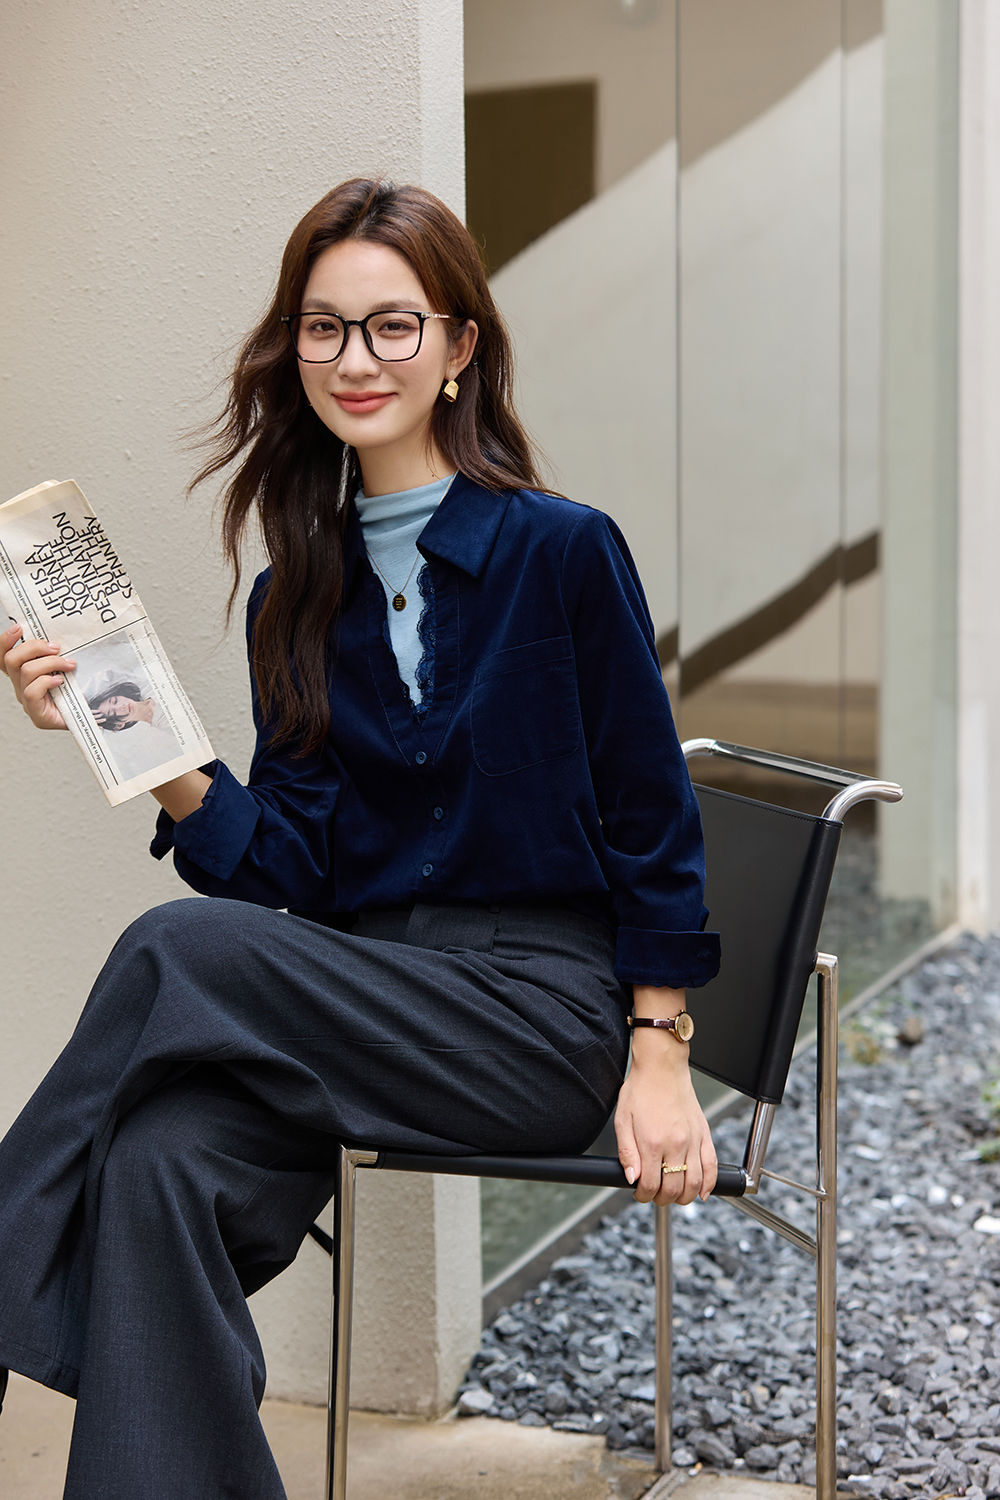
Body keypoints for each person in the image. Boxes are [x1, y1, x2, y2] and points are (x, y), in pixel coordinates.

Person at [0, 178, 721, 1499]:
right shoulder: (298, 591)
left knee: (175, 949)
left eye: (393, 327)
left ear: (460, 349)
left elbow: (649, 811)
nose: (355, 359)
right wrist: (143, 750)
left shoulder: (560, 552)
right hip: (366, 1007)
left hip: (536, 1017)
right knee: (162, 1160)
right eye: (323, 329)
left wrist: (658, 1047)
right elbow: (300, 873)